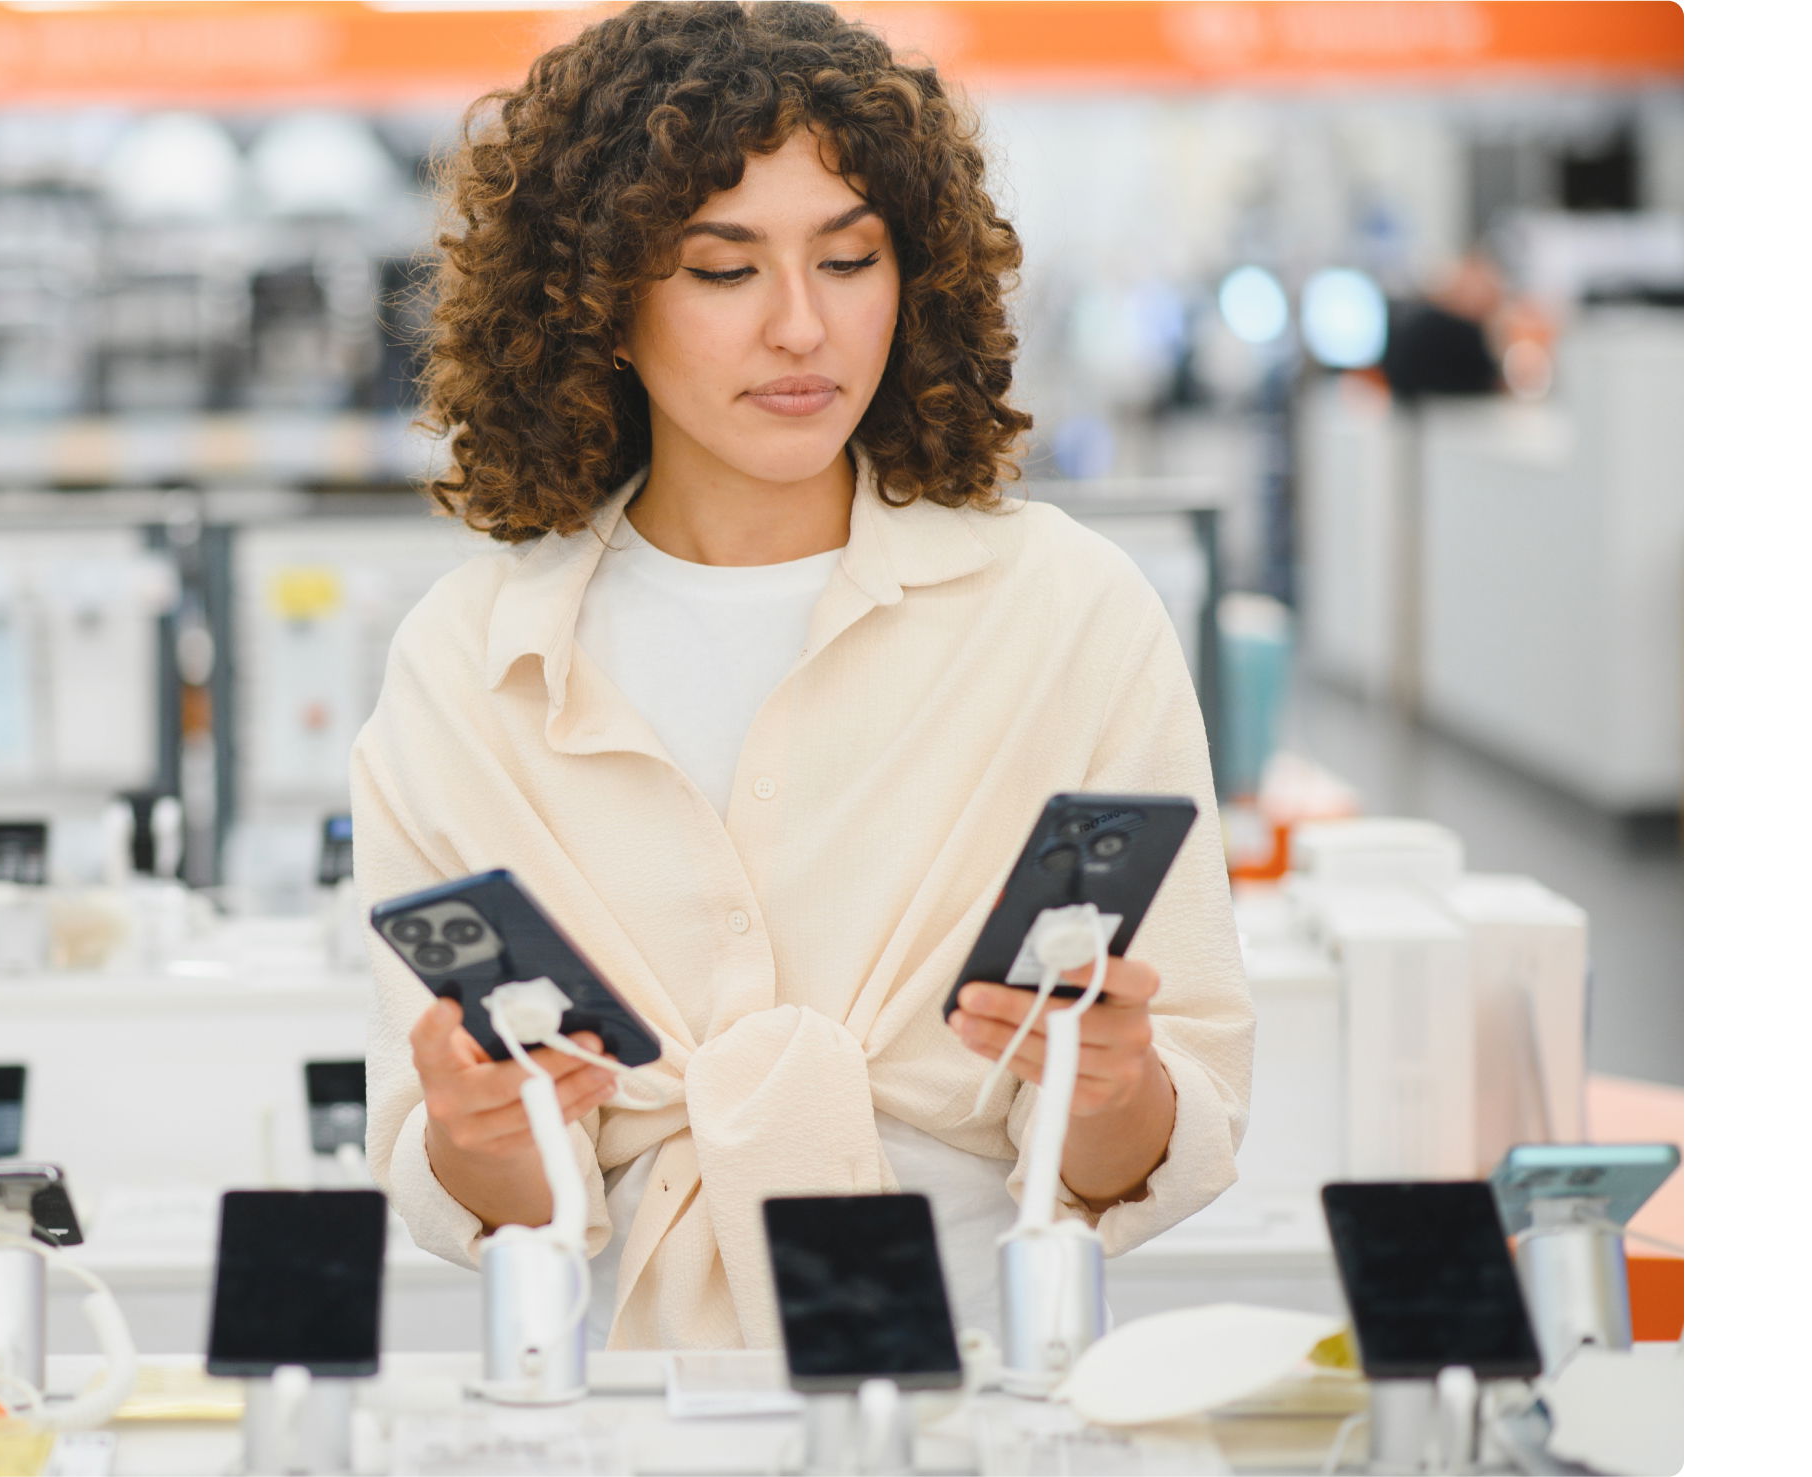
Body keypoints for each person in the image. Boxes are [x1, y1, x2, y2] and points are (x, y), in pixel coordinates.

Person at [353, 1, 1254, 1351]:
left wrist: (1115, 1080)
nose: (801, 327)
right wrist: (486, 1131)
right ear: (598, 297)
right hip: (622, 1409)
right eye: (723, 270)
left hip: (980, 1390)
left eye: (848, 259)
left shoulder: (1068, 616)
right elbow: (501, 1199)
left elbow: (1139, 1151)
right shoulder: (466, 669)